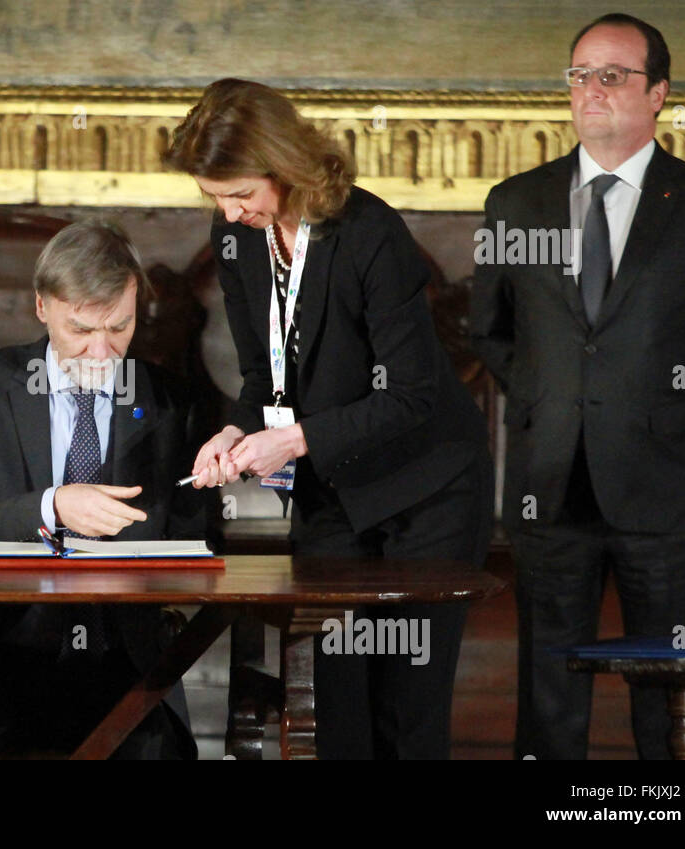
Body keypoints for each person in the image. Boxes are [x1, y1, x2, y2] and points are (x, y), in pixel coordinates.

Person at [164, 78, 494, 759]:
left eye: (241, 195)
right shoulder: (238, 239)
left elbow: (409, 393)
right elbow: (264, 375)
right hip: (332, 490)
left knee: (406, 711)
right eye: (215, 198)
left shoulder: (368, 232)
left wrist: (293, 439)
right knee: (335, 704)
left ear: (283, 165)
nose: (228, 214)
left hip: (424, 489)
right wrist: (234, 430)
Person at [470, 14, 685, 759]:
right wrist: (553, 399)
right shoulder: (514, 203)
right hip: (547, 484)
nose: (592, 91)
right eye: (580, 75)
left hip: (661, 484)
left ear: (659, 94)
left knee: (667, 691)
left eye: (613, 76)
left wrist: (668, 419)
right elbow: (489, 330)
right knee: (549, 691)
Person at [0, 219, 205, 759]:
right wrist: (55, 504)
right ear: (42, 307)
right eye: (81, 330)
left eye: (119, 328)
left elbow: (191, 540)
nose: (101, 351)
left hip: (121, 660)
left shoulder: (170, 401)